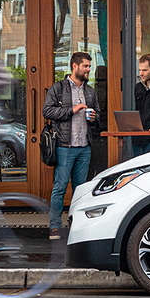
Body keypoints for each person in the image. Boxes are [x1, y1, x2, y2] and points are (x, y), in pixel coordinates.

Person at [42, 52, 101, 240]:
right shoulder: (58, 88)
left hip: (84, 146)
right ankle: (54, 226)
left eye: (89, 67)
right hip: (64, 146)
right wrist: (72, 110)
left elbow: (98, 115)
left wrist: (94, 118)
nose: (88, 70)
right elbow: (47, 111)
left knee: (81, 189)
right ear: (75, 66)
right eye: (85, 66)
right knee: (59, 186)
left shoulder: (90, 91)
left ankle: (76, 224)